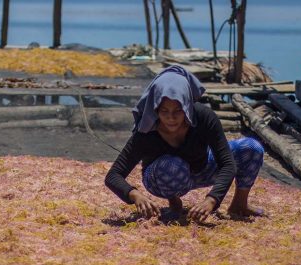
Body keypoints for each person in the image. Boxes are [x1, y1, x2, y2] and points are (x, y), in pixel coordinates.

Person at [104, 65, 264, 223]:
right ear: (155, 109)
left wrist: (212, 200)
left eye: (178, 111)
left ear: (187, 107)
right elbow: (113, 176)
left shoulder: (203, 117)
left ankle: (239, 204)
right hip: (162, 177)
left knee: (251, 147)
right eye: (164, 111)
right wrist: (134, 194)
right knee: (171, 166)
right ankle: (174, 201)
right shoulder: (146, 131)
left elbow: (227, 164)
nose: (171, 118)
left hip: (200, 168)